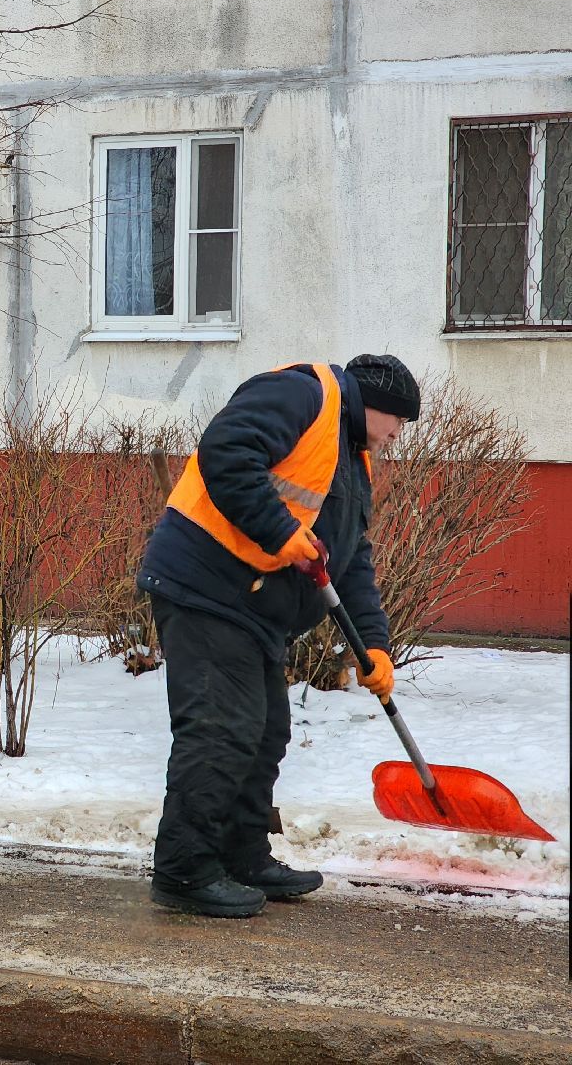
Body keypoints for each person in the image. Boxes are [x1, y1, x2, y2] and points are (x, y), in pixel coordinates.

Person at [137, 355, 420, 917]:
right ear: (378, 406)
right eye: (399, 423)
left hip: (253, 609)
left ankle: (241, 855)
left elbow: (352, 561)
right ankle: (184, 870)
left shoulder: (350, 460)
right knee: (223, 729)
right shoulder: (303, 396)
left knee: (265, 731)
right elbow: (225, 451)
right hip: (206, 587)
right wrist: (280, 530)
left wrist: (374, 644)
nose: (397, 437)